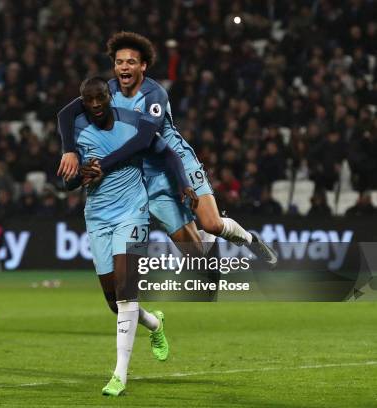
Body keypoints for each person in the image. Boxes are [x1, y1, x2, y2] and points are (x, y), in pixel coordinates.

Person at [57, 32, 277, 265]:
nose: (124, 67)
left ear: (143, 66)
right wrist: (68, 150)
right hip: (147, 175)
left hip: (178, 161)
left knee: (212, 224)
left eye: (131, 62)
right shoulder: (107, 91)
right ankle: (206, 245)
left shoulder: (154, 94)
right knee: (195, 254)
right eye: (119, 62)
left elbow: (143, 141)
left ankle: (249, 239)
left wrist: (102, 165)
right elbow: (65, 114)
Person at [66, 77, 179, 397]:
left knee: (126, 291)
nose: (97, 104)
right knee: (114, 301)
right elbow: (66, 182)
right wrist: (80, 176)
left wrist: (182, 185)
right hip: (98, 217)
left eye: (101, 97)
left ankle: (119, 374)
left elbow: (166, 153)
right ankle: (155, 324)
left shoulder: (133, 123)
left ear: (109, 96)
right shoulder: (78, 131)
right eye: (90, 100)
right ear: (84, 103)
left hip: (133, 212)